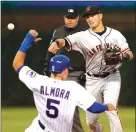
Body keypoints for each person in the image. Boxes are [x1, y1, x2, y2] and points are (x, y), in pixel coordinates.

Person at [48, 5, 134, 132]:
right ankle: (98, 129)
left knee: (111, 109)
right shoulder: (82, 36)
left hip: (112, 77)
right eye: (87, 17)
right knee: (91, 122)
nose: (90, 19)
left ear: (100, 16)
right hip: (93, 79)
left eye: (92, 15)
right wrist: (56, 43)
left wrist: (122, 56)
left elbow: (130, 54)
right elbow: (64, 41)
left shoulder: (116, 34)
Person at [12, 30, 115, 132]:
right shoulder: (73, 88)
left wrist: (26, 42)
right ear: (65, 71)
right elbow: (94, 108)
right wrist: (106, 106)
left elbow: (17, 64)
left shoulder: (39, 81)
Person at [43, 8, 88, 132]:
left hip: (81, 73)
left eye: (73, 17)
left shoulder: (85, 31)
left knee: (74, 104)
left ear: (78, 18)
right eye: (68, 17)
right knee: (65, 104)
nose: (70, 20)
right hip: (62, 74)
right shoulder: (58, 31)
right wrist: (47, 69)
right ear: (64, 18)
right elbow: (50, 51)